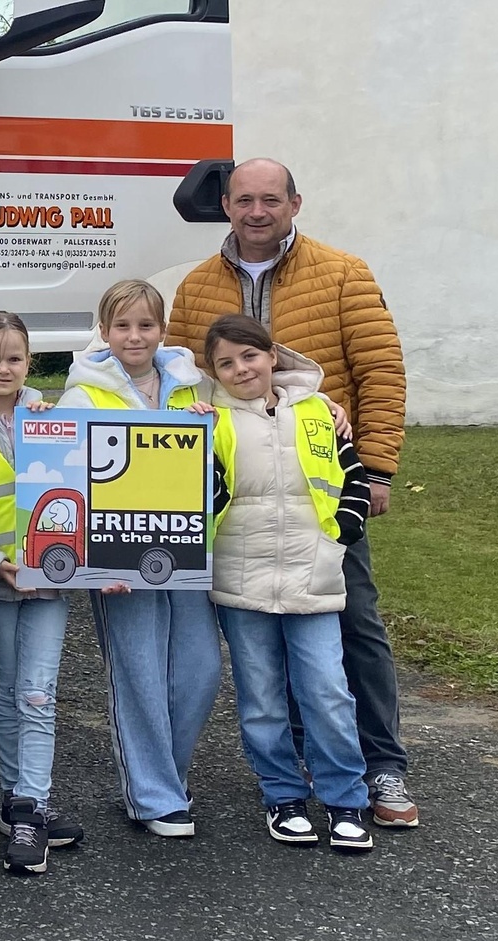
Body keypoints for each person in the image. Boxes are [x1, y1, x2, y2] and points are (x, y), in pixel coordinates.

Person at [168, 158, 417, 828]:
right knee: (264, 645)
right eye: (244, 199)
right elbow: (175, 379)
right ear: (226, 204)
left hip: (324, 490)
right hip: (244, 494)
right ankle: (298, 768)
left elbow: (379, 369)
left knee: (353, 627)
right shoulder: (196, 287)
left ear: (294, 203)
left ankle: (382, 765)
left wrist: (378, 468)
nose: (256, 211)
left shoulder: (343, 272)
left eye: (270, 200)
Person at [204, 314, 375, 853]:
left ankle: (347, 800)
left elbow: (352, 482)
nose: (241, 369)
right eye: (225, 363)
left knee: (327, 691)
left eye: (249, 356)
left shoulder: (318, 413)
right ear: (213, 372)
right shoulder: (210, 421)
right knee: (261, 699)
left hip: (314, 576)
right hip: (241, 577)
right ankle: (283, 794)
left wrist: (340, 536)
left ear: (272, 356)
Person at [57, 279, 220, 838]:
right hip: (117, 558)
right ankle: (153, 796)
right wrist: (89, 566)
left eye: (145, 325)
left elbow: (218, 460)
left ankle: (164, 776)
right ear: (103, 332)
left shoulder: (188, 387)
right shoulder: (83, 395)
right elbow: (62, 473)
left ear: (162, 330)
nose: (134, 336)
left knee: (201, 670)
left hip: (183, 549)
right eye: (122, 325)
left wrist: (211, 427)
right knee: (139, 674)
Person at [0, 311, 84, 874]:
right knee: (7, 693)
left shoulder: (51, 416)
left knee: (38, 694)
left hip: (49, 582)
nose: (4, 368)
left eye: (15, 358)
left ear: (31, 362)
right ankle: (15, 801)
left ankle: (32, 808)